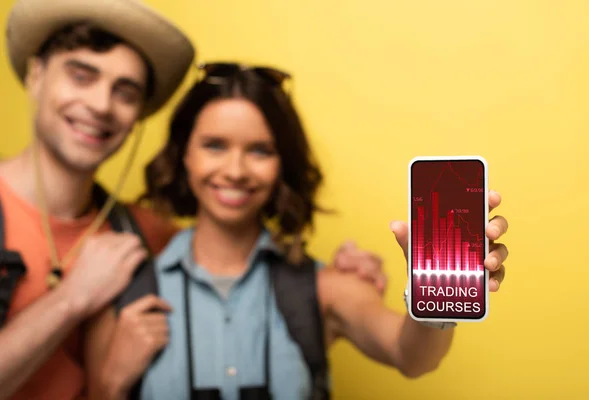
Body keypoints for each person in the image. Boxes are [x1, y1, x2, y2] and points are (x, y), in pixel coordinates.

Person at [0, 3, 389, 399]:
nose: (101, 104)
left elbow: (236, 258)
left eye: (126, 92)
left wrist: (341, 273)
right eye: (81, 76)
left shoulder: (145, 236)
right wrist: (73, 297)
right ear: (36, 74)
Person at [87, 62, 509, 399]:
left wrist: (438, 294)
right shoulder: (129, 290)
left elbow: (412, 358)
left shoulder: (325, 287)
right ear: (184, 156)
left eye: (259, 150)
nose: (235, 171)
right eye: (215, 145)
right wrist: (111, 384)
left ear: (282, 164)